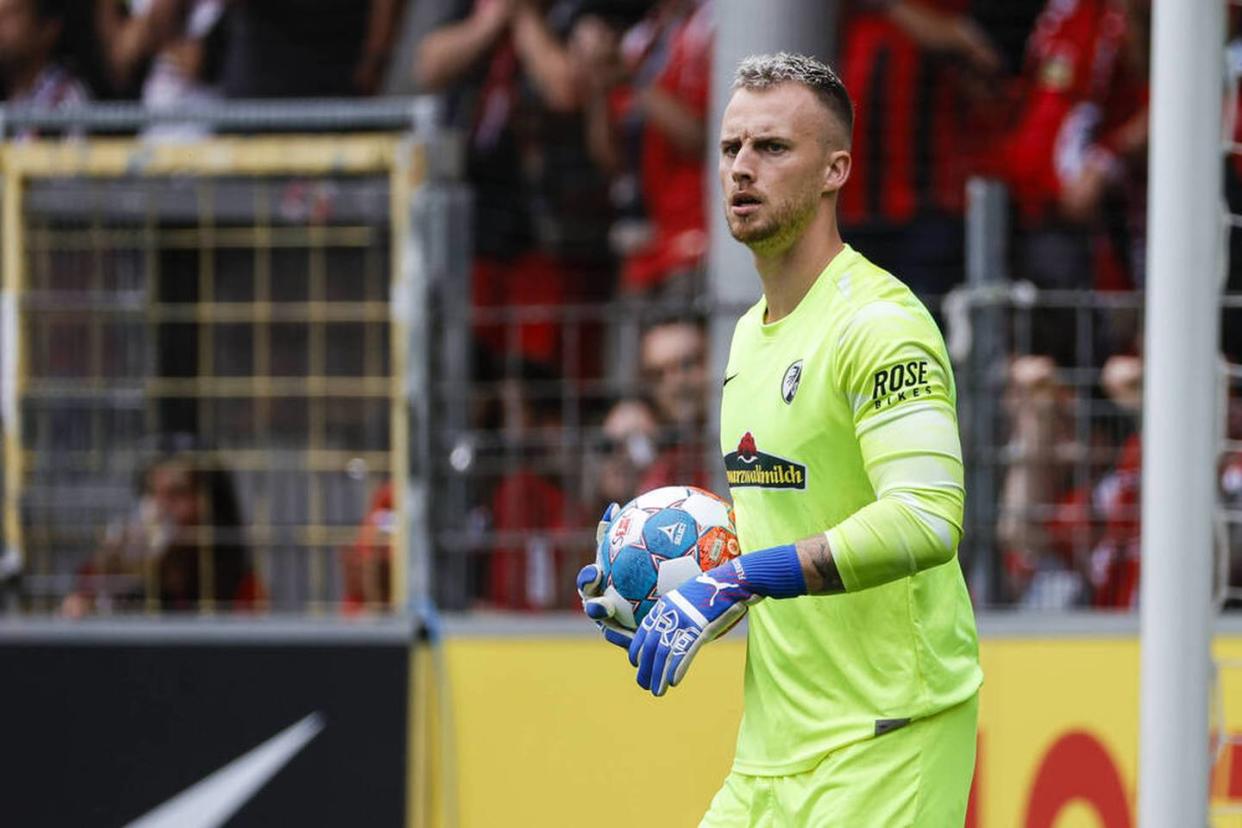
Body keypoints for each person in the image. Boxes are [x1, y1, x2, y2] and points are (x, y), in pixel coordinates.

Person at [577, 52, 981, 824]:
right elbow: (784, 521)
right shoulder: (743, 339)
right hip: (770, 749)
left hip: (887, 738)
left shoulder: (882, 325)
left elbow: (928, 517)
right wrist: (654, 584)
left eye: (771, 148)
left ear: (835, 170)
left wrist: (735, 579)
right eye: (730, 149)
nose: (741, 168)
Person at [63, 442, 264, 614]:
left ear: (209, 505)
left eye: (177, 494)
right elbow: (80, 607)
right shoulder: (122, 559)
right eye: (151, 493)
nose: (159, 509)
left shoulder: (240, 583)